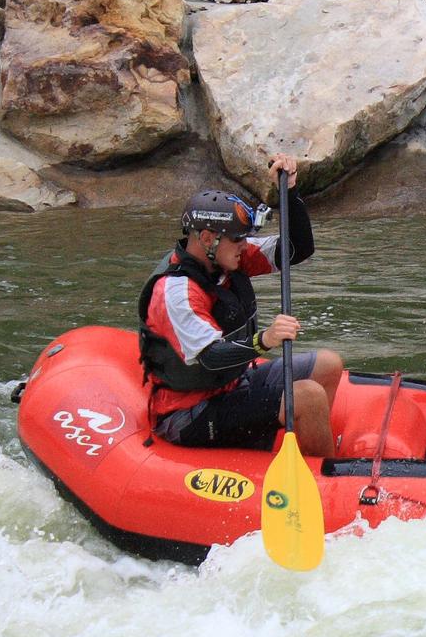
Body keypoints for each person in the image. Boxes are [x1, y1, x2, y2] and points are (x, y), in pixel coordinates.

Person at [138, 155, 345, 456]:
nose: (246, 246)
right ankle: (325, 484)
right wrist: (266, 339)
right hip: (189, 412)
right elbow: (211, 357)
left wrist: (289, 192)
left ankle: (310, 449)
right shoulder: (176, 291)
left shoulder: (228, 256)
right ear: (208, 238)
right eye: (238, 239)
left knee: (329, 365)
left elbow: (297, 249)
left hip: (234, 384)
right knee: (309, 396)